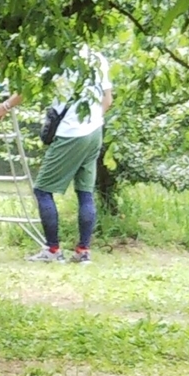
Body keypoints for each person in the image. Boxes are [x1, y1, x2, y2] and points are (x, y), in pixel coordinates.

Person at [28, 47, 113, 264]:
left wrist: (7, 105)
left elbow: (32, 87)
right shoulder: (98, 58)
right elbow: (108, 100)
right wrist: (92, 121)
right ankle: (83, 251)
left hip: (70, 133)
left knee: (42, 190)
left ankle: (53, 250)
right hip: (95, 132)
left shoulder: (57, 55)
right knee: (85, 192)